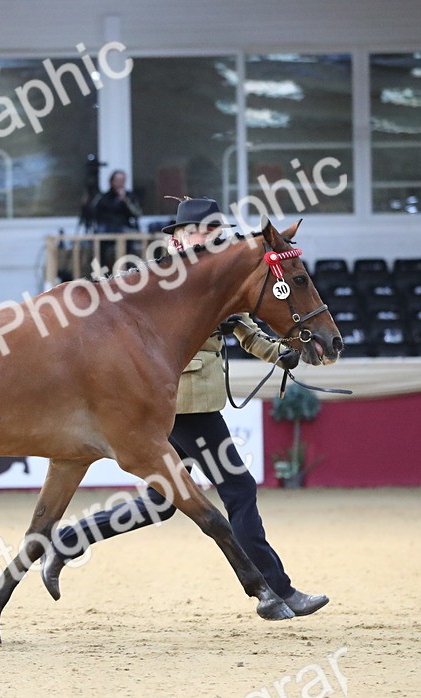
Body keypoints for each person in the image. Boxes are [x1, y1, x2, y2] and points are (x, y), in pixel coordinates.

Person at [40, 196, 330, 617]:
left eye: (215, 231)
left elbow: (243, 328)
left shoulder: (215, 278)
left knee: (160, 503)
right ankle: (276, 591)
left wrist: (279, 353)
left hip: (191, 400)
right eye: (203, 231)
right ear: (179, 238)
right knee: (238, 489)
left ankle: (69, 541)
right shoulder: (161, 282)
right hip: (179, 402)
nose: (211, 237)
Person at [86, 170, 142, 270]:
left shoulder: (129, 196)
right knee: (100, 248)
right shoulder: (103, 197)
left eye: (122, 180)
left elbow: (137, 213)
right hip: (106, 231)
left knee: (128, 246)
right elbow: (93, 213)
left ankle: (128, 272)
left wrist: (125, 200)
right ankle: (102, 274)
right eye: (117, 180)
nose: (120, 183)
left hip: (124, 230)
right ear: (112, 182)